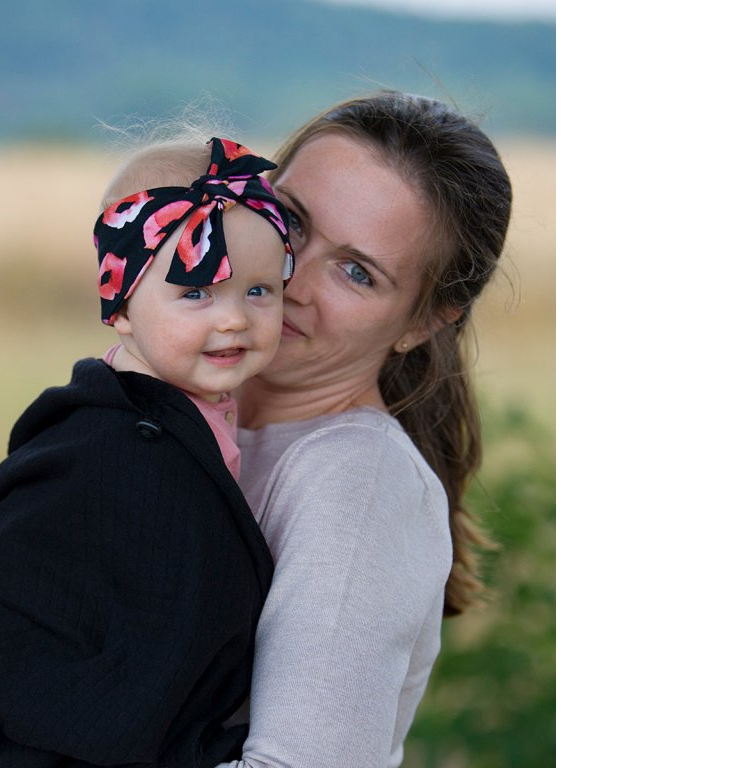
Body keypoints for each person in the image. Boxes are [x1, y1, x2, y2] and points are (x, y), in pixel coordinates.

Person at [213, 91, 514, 767]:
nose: (290, 279)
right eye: (291, 221)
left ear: (423, 322)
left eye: (356, 272)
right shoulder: (173, 399)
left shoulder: (358, 479)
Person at [0, 137, 293, 767]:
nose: (234, 319)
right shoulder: (117, 455)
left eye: (259, 290)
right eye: (196, 292)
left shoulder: (176, 417)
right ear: (120, 305)